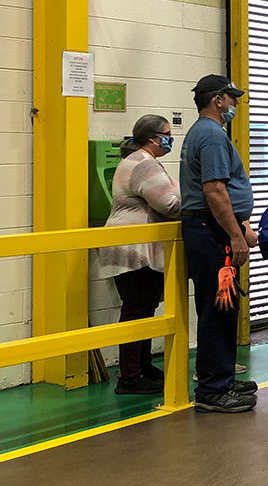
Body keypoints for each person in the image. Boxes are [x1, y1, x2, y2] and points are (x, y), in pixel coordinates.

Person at [180, 74, 259, 413]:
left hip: (211, 228)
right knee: (218, 306)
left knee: (224, 307)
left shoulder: (204, 132)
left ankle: (222, 376)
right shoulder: (211, 135)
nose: (236, 104)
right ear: (217, 100)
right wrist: (235, 234)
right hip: (211, 230)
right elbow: (214, 190)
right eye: (232, 97)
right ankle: (213, 389)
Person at [98, 114, 180, 395]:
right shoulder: (142, 164)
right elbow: (169, 204)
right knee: (136, 310)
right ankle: (130, 376)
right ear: (152, 138)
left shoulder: (141, 162)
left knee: (144, 309)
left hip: (139, 250)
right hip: (134, 252)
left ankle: (142, 366)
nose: (170, 138)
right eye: (167, 134)